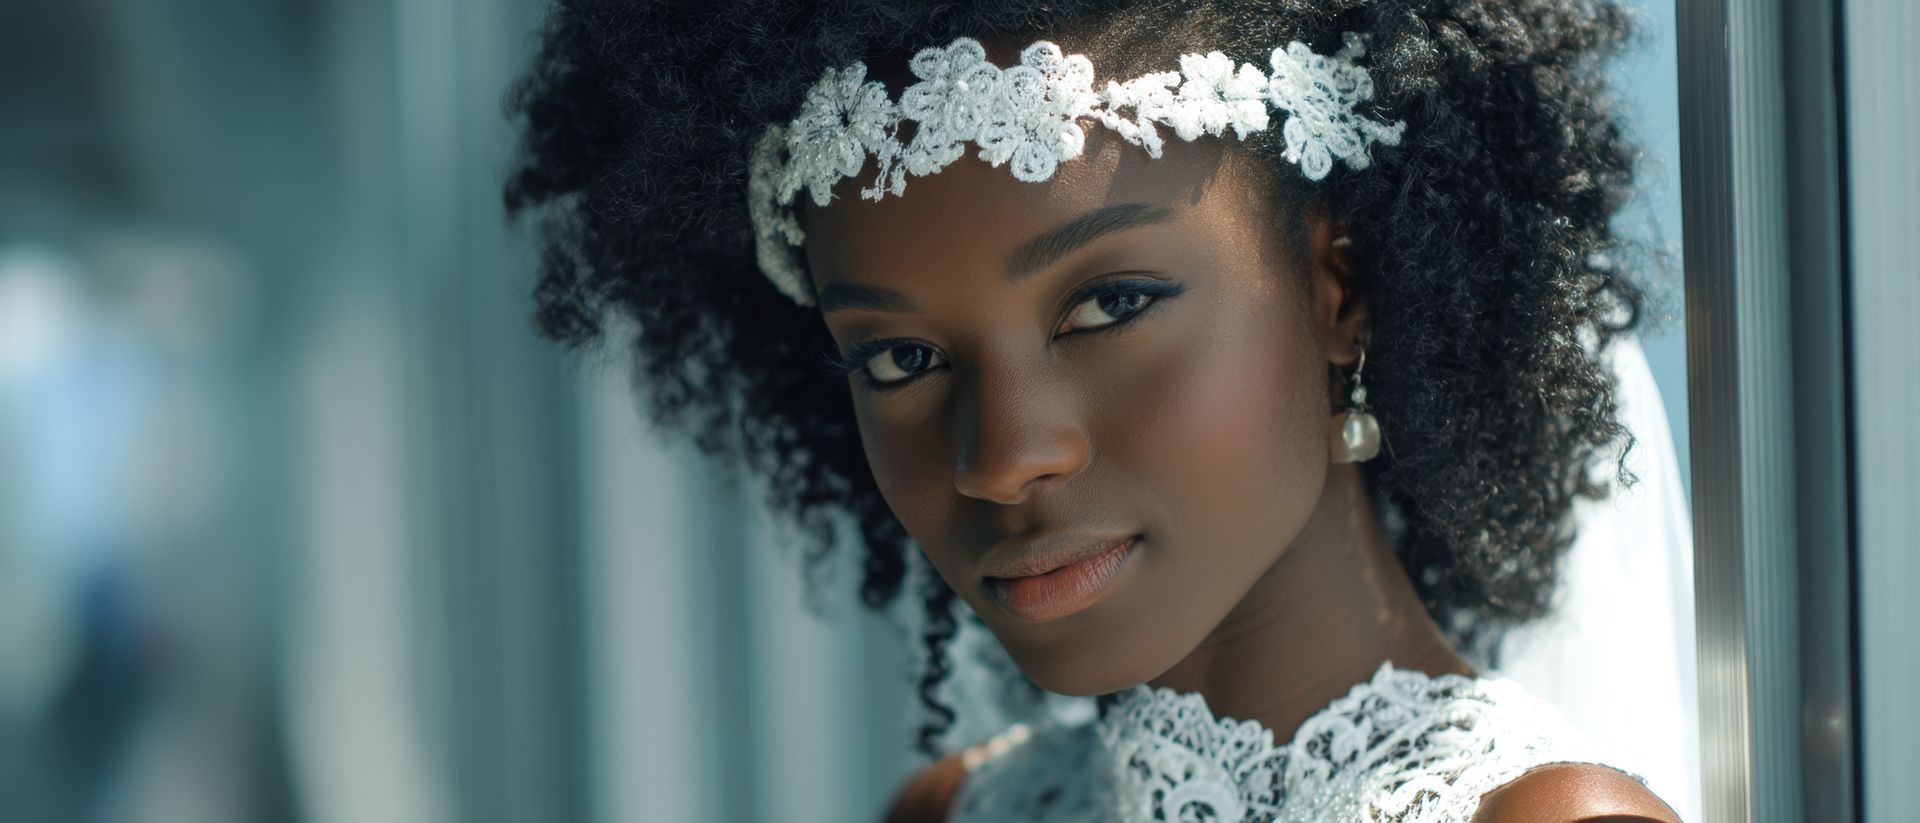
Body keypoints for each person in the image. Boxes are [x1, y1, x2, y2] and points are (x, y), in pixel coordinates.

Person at [502, 1, 1686, 819]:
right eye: (902, 357)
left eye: (1111, 304)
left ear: (1343, 288)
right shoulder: (955, 811)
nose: (1003, 457)